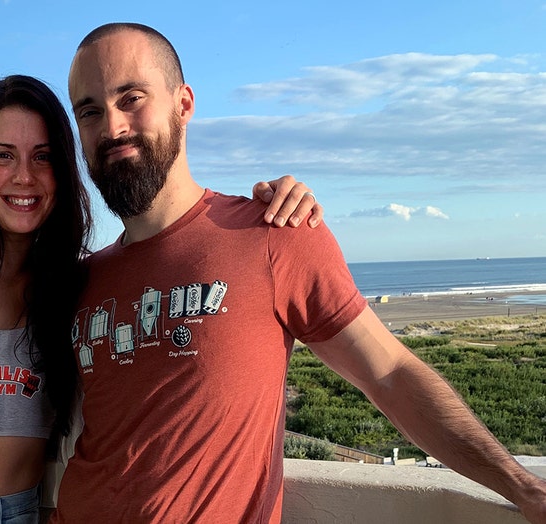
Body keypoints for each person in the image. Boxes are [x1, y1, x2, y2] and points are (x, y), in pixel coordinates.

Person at [50, 23, 546, 523]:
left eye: (131, 97)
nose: (111, 127)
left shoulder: (273, 234)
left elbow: (390, 374)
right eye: (89, 111)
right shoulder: (85, 279)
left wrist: (525, 489)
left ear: (183, 104)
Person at [0, 74, 320, 524]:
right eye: (3, 156)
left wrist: (269, 210)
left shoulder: (74, 286)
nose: (23, 176)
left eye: (42, 157)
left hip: (25, 513)